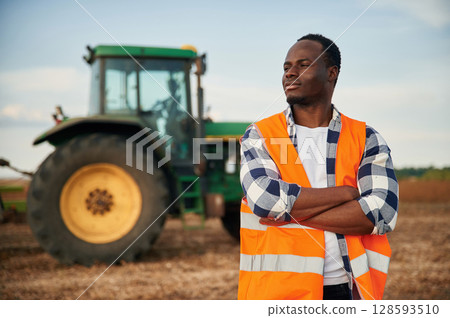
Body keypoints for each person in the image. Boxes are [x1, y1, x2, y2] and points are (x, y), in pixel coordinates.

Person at [238, 34, 399, 300]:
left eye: (303, 64)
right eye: (286, 67)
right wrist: (347, 194)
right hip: (277, 294)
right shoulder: (261, 134)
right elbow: (266, 200)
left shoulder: (365, 137)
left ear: (331, 73)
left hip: (348, 289)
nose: (290, 73)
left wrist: (287, 215)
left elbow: (381, 213)